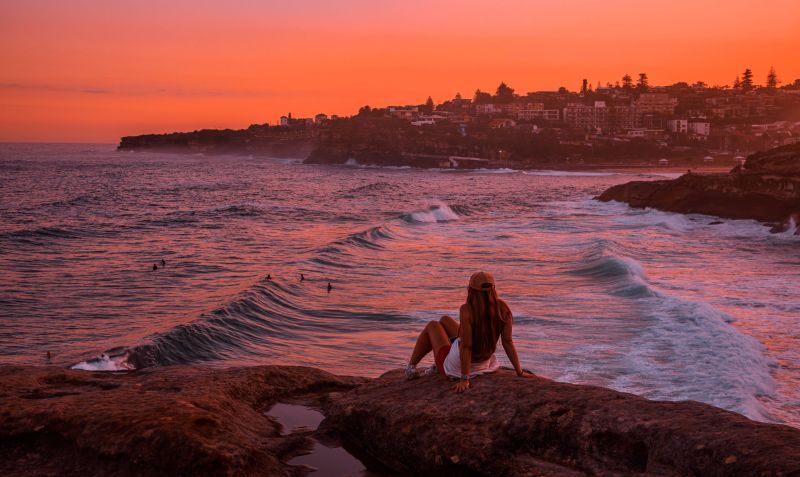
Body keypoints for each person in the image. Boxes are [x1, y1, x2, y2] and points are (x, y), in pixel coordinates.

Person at [405, 271, 532, 392]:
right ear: (493, 289)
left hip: (457, 367)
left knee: (432, 325)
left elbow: (466, 346)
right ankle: (435, 364)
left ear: (470, 290)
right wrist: (519, 372)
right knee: (445, 319)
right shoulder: (503, 308)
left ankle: (411, 368)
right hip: (484, 363)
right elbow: (508, 342)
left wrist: (464, 379)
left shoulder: (467, 310)